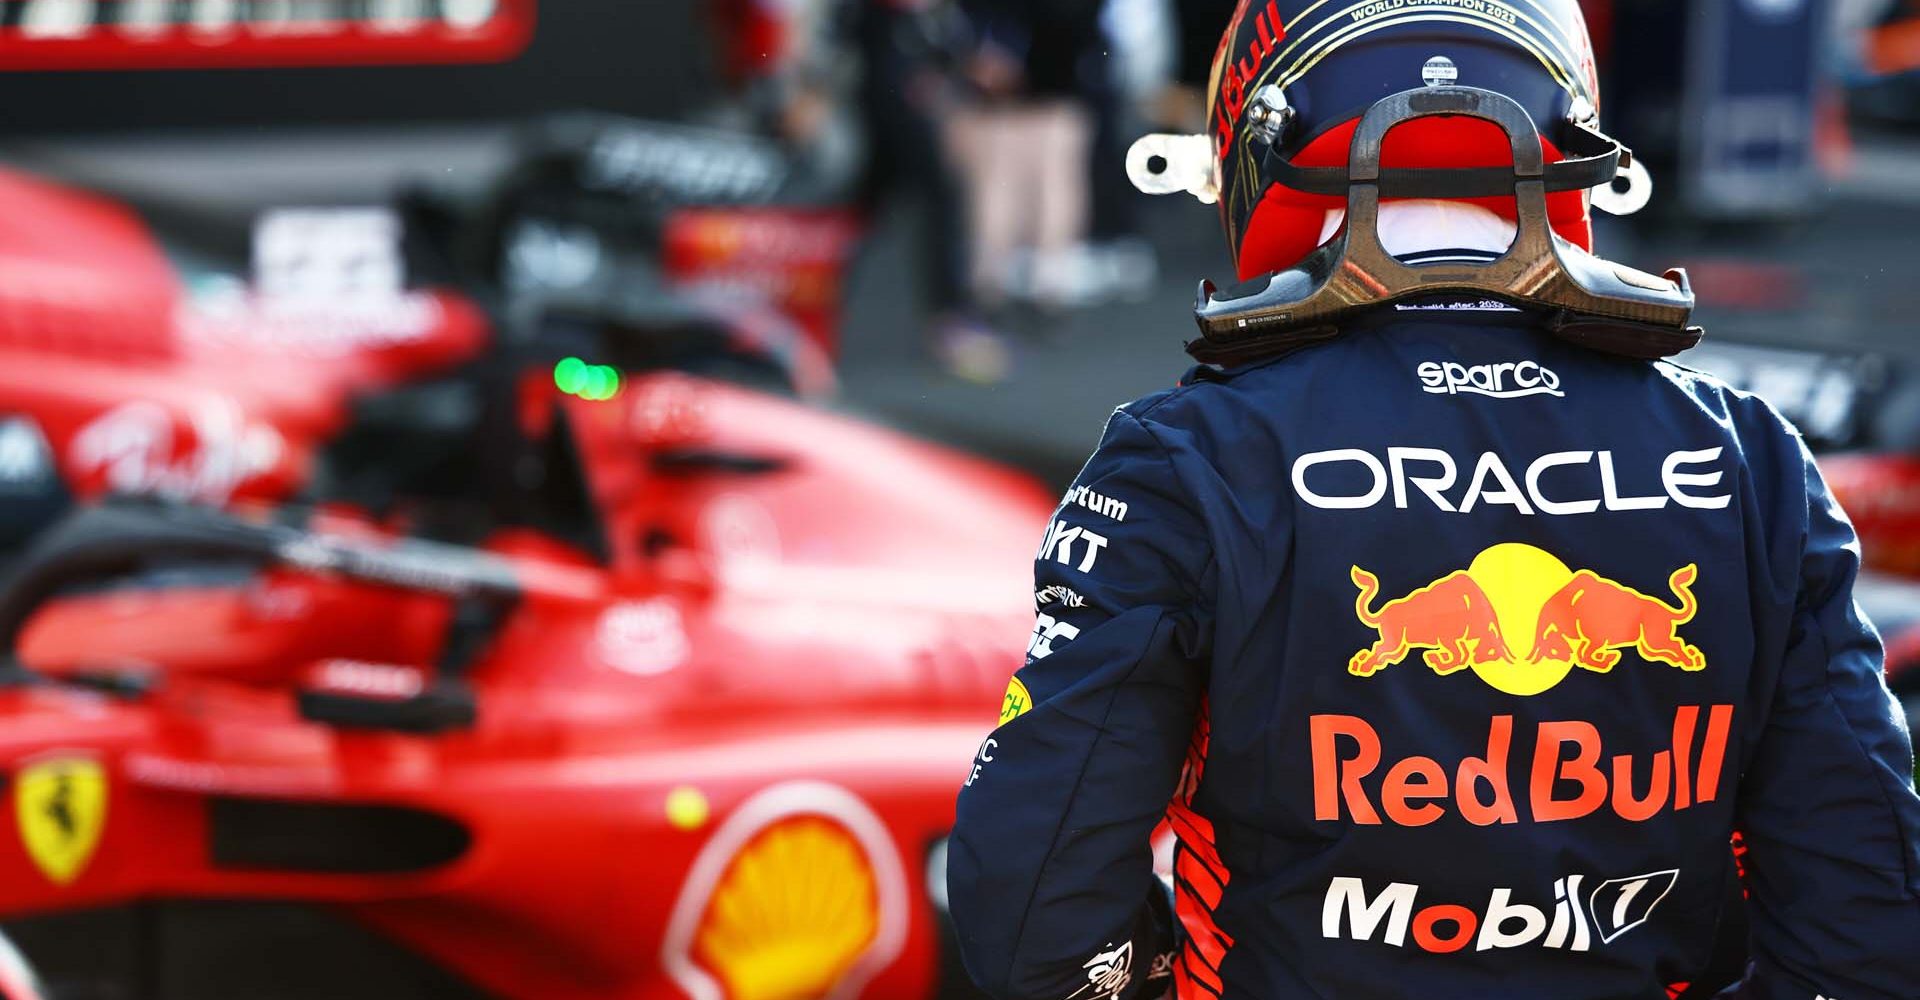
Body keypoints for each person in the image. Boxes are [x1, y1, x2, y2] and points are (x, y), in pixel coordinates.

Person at [946, 3, 1920, 1000]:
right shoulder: (1749, 458)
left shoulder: (1187, 459)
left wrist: (1149, 975)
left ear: (1259, 135)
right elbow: (1867, 924)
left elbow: (1033, 909)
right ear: (1565, 137)